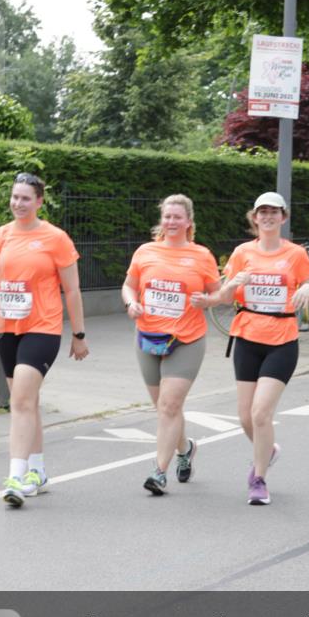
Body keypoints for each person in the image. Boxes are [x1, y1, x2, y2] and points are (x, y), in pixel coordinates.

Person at [0, 172, 88, 507]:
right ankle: (38, 471)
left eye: (26, 198)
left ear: (39, 202)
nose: (18, 203)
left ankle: (16, 477)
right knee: (26, 402)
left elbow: (72, 289)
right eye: (15, 197)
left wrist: (78, 334)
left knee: (20, 401)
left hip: (43, 328)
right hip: (7, 328)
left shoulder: (56, 238)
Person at [201, 192, 309, 506]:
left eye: (273, 212)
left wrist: (307, 290)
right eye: (262, 212)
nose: (267, 217)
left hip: (282, 340)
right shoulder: (242, 252)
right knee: (244, 417)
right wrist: (232, 283)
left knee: (260, 413)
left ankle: (259, 479)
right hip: (247, 338)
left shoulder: (295, 254)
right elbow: (224, 297)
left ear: (283, 217)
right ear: (254, 218)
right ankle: (268, 450)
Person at [121, 194, 221, 495]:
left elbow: (219, 294)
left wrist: (207, 300)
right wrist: (131, 303)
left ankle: (159, 472)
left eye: (177, 217)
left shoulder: (201, 255)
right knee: (165, 408)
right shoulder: (145, 251)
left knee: (169, 405)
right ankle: (185, 448)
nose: (171, 222)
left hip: (187, 339)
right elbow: (129, 286)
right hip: (148, 337)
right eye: (167, 216)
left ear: (188, 221)